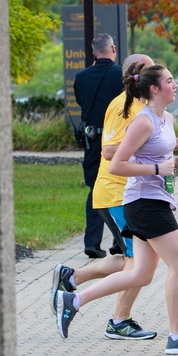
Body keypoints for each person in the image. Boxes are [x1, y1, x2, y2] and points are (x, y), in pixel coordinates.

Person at [54, 62, 178, 355]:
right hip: (144, 203)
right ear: (154, 89)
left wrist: (173, 163)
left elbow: (159, 160)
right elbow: (116, 164)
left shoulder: (165, 117)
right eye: (169, 80)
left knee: (140, 274)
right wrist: (157, 167)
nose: (174, 84)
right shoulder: (143, 121)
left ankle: (73, 301)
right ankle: (177, 338)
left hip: (154, 200)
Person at [50, 54, 156, 340]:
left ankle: (71, 277)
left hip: (128, 194)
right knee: (139, 262)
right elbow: (109, 152)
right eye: (154, 70)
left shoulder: (140, 107)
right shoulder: (124, 106)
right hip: (117, 195)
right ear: (140, 75)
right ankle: (119, 320)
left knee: (129, 259)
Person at [73, 33, 124, 259]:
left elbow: (80, 101)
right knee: (121, 187)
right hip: (117, 139)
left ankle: (92, 242)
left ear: (93, 52)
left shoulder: (81, 77)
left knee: (96, 187)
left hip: (92, 140)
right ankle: (119, 240)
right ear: (113, 49)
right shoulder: (121, 75)